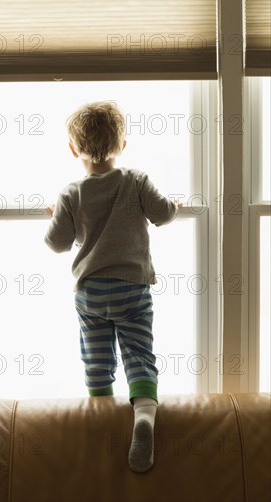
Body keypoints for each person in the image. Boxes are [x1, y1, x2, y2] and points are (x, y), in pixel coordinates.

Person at [44, 101, 178, 472]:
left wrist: (57, 213)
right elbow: (163, 214)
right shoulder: (136, 180)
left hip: (91, 292)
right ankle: (145, 417)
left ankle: (102, 424)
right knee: (139, 355)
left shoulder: (72, 193)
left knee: (97, 361)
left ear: (74, 150)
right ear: (122, 144)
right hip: (132, 288)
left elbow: (56, 243)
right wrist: (176, 206)